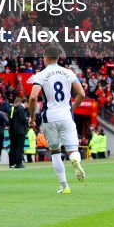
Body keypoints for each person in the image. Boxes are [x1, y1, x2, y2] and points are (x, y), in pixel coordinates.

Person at [28, 45, 87, 194]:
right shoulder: (68, 72)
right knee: (72, 149)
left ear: (46, 58)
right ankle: (75, 159)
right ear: (58, 57)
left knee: (55, 152)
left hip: (50, 117)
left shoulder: (41, 74)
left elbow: (33, 97)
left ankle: (64, 185)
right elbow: (81, 94)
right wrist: (72, 109)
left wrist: (32, 117)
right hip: (66, 115)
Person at [8, 97, 29, 168]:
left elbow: (11, 120)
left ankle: (12, 163)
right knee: (18, 147)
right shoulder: (18, 109)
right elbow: (20, 120)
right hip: (17, 131)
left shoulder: (13, 109)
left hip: (13, 130)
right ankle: (17, 163)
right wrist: (27, 121)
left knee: (14, 147)